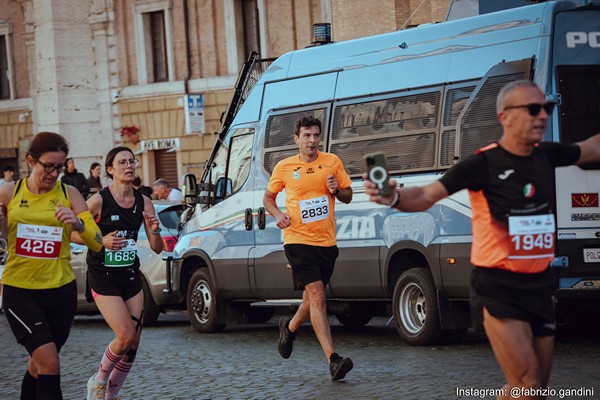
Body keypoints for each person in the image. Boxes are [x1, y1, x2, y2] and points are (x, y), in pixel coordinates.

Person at [364, 80, 600, 399]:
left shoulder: (547, 154)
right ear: (505, 116)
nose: (542, 116)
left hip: (539, 285)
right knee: (527, 383)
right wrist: (392, 196)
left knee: (534, 387)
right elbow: (423, 196)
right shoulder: (482, 164)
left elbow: (591, 149)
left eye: (545, 108)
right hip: (498, 285)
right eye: (533, 109)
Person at [0, 131, 102, 400]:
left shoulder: (69, 194)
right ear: (31, 161)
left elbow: (98, 242)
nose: (54, 173)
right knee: (50, 363)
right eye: (48, 166)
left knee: (38, 365)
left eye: (60, 166)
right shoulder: (9, 192)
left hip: (60, 292)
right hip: (20, 292)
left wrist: (78, 223)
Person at [263, 116, 354, 381]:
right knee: (318, 297)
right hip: (296, 239)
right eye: (306, 135)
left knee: (310, 300)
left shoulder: (332, 162)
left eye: (316, 135)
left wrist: (337, 191)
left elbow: (348, 196)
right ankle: (333, 360)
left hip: (326, 242)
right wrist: (278, 214)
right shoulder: (284, 166)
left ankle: (289, 328)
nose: (312, 140)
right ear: (297, 139)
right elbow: (268, 198)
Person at [84, 147, 163, 400]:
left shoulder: (144, 201)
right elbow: (76, 231)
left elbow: (156, 248)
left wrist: (155, 229)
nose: (128, 165)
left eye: (132, 161)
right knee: (125, 334)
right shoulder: (98, 201)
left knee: (134, 342)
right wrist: (101, 240)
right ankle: (98, 381)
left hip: (130, 275)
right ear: (110, 170)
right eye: (122, 162)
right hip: (102, 276)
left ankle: (111, 395)